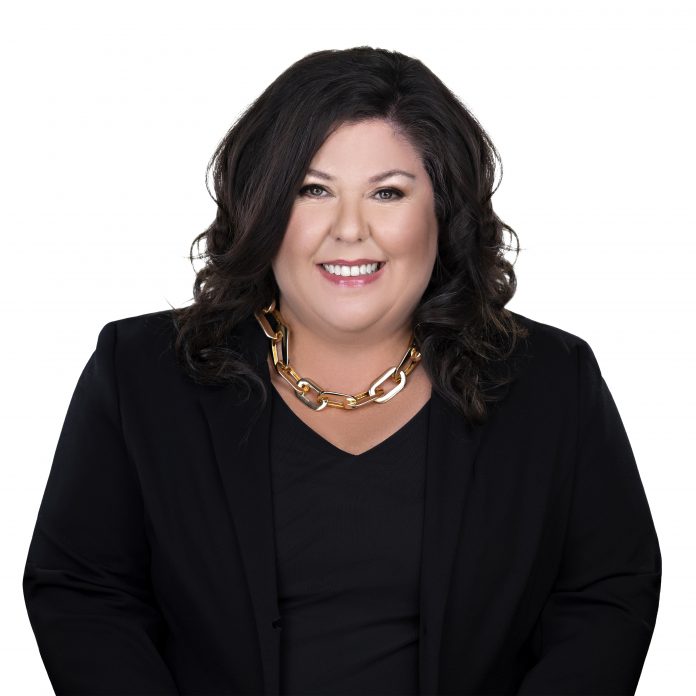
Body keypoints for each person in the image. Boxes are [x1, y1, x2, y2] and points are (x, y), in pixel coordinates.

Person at [22, 46, 661, 696]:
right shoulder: (140, 374)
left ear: (442, 210)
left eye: (387, 192)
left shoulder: (552, 381)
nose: (350, 229)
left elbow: (607, 592)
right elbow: (83, 591)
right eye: (313, 190)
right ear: (262, 205)